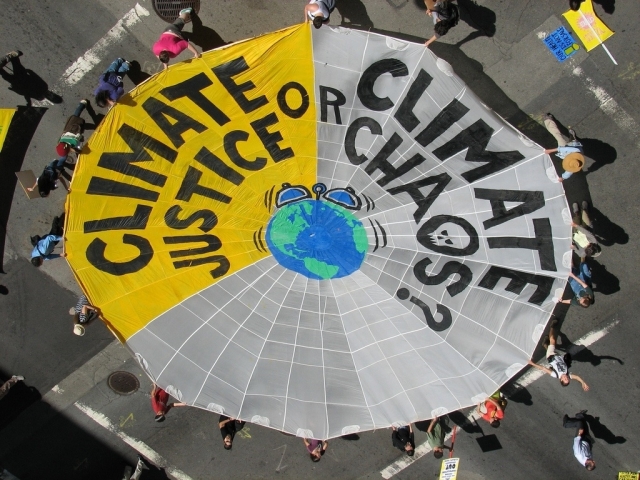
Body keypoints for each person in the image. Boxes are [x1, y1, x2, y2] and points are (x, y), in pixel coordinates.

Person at [527, 318, 590, 390]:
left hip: (551, 356)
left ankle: (552, 326)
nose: (567, 378)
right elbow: (577, 377)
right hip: (558, 355)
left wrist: (532, 363)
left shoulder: (555, 374)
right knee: (551, 345)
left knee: (553, 341)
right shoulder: (567, 374)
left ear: (561, 380)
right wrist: (583, 382)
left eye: (565, 379)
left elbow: (543, 368)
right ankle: (545, 344)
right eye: (568, 379)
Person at [542, 113, 585, 182]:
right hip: (568, 147)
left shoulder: (575, 162)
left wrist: (563, 178)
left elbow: (569, 172)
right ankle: (548, 120)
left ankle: (572, 137)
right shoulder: (576, 150)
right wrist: (550, 150)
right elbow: (563, 149)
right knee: (557, 135)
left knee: (568, 140)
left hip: (570, 148)